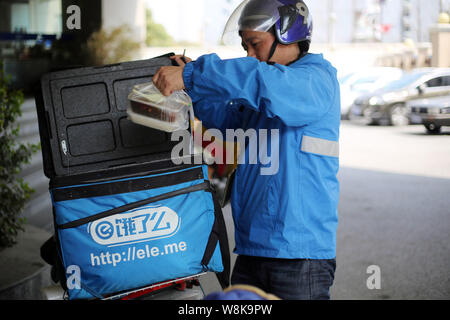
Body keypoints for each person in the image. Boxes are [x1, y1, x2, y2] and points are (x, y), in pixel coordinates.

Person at [152, 0, 340, 300]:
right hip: (253, 249)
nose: (251, 55)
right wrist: (192, 86)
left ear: (288, 34)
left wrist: (194, 75)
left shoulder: (315, 80)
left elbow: (256, 78)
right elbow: (225, 119)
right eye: (245, 47)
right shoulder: (266, 89)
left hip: (298, 256)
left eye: (255, 44)